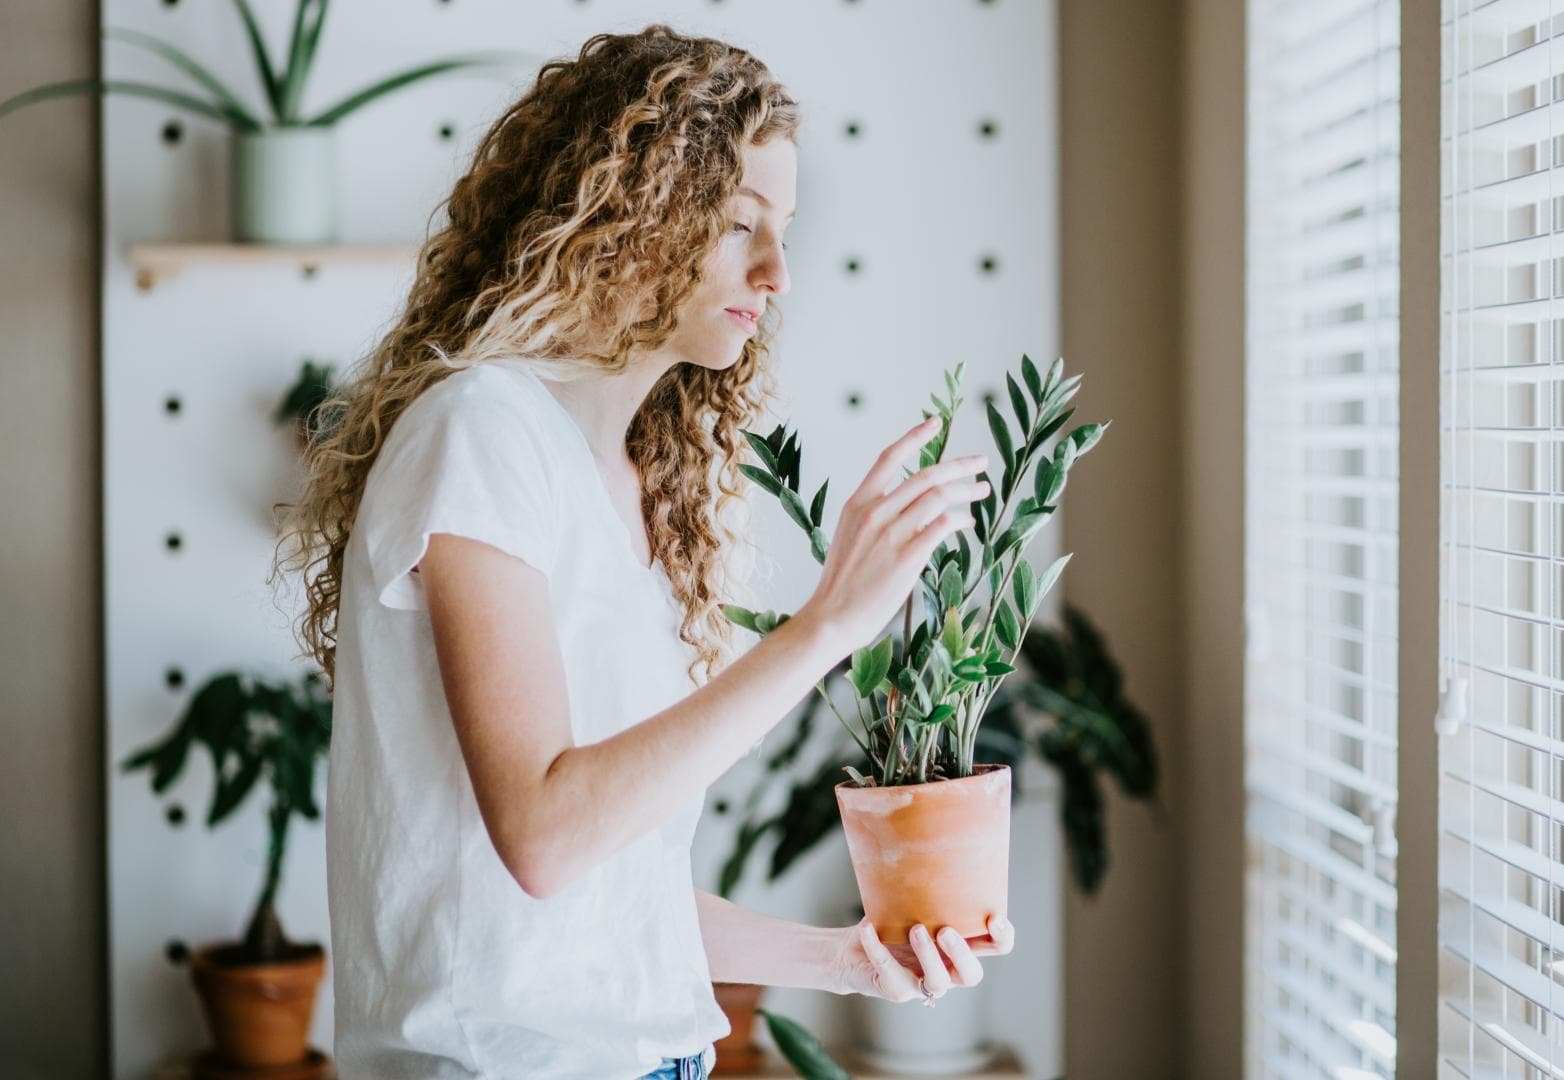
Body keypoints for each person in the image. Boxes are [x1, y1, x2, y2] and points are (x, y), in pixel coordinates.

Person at [273, 26, 1014, 1080]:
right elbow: (543, 834)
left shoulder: (634, 484)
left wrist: (848, 960)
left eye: (785, 230)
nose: (778, 272)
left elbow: (611, 899)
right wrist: (828, 628)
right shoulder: (480, 432)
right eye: (736, 223)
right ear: (626, 215)